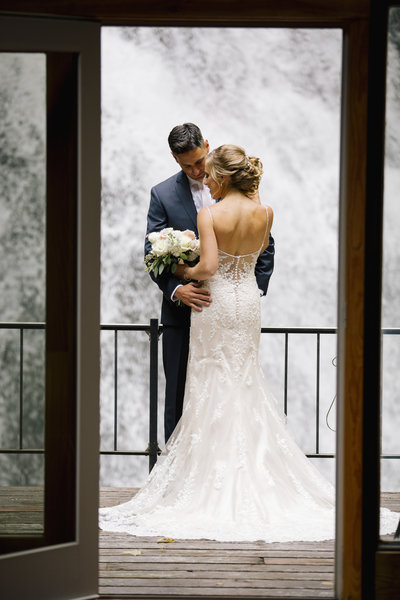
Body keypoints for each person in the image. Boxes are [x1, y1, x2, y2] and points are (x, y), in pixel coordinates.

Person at [100, 144, 398, 542]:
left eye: (209, 172)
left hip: (215, 302)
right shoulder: (266, 212)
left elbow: (207, 267)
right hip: (246, 304)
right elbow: (259, 257)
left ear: (219, 174)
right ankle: (256, 473)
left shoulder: (209, 213)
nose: (204, 177)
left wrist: (180, 267)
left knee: (208, 382)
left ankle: (207, 479)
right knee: (244, 380)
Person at [144, 124, 275, 442]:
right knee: (178, 394)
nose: (197, 170)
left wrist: (246, 286)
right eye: (186, 165)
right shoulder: (162, 194)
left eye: (200, 162)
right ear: (175, 159)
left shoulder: (245, 193)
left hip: (231, 309)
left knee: (235, 386)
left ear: (207, 146)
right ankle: (176, 475)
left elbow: (266, 246)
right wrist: (176, 288)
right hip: (181, 311)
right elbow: (151, 250)